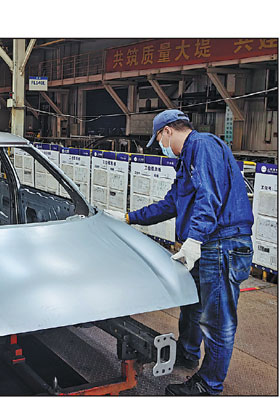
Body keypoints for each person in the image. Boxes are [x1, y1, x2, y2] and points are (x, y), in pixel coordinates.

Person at [107, 110, 254, 395]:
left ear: (167, 132)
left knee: (217, 321)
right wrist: (127, 218)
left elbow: (209, 195)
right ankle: (187, 355)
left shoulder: (203, 146)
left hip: (222, 245)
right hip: (209, 245)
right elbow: (170, 203)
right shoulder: (186, 161)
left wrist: (195, 238)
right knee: (192, 305)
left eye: (159, 140)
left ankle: (208, 385)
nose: (162, 147)